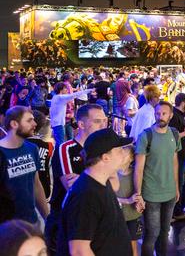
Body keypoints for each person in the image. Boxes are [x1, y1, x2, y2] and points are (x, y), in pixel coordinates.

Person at [58, 128, 133, 256]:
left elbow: (115, 186)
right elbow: (79, 251)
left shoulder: (101, 181)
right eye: (120, 150)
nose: (124, 153)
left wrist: (112, 168)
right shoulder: (86, 195)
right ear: (105, 158)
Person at [46, 104, 108, 254]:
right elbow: (72, 188)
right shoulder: (65, 149)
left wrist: (83, 179)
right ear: (81, 124)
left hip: (92, 219)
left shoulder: (102, 150)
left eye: (104, 120)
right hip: (66, 220)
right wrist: (102, 178)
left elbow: (112, 185)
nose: (103, 125)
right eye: (97, 121)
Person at [134, 101, 181, 256]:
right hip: (151, 193)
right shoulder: (146, 136)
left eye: (164, 113)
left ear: (171, 115)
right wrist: (138, 194)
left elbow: (174, 162)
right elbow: (138, 168)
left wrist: (176, 187)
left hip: (170, 193)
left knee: (165, 231)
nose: (160, 116)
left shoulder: (174, 134)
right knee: (152, 233)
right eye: (157, 113)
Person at [0, 106, 49, 224]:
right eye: (29, 120)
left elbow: (36, 184)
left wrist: (47, 218)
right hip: (7, 226)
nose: (35, 124)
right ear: (14, 124)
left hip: (31, 220)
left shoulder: (32, 148)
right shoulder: (2, 153)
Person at [115, 145, 144, 256]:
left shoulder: (135, 175)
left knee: (133, 247)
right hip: (117, 217)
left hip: (133, 217)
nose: (121, 155)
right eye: (120, 153)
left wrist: (140, 202)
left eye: (125, 154)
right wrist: (127, 200)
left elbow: (140, 194)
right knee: (117, 246)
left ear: (131, 158)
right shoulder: (113, 174)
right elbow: (109, 197)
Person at [170, 93, 185, 216]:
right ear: (183, 102)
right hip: (178, 154)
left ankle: (184, 205)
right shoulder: (174, 116)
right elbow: (170, 137)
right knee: (179, 180)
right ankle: (176, 209)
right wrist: (184, 133)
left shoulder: (184, 115)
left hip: (184, 153)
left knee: (184, 179)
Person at [26, 110, 54, 200]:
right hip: (44, 190)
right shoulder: (49, 146)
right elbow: (49, 169)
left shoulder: (19, 144)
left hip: (25, 192)